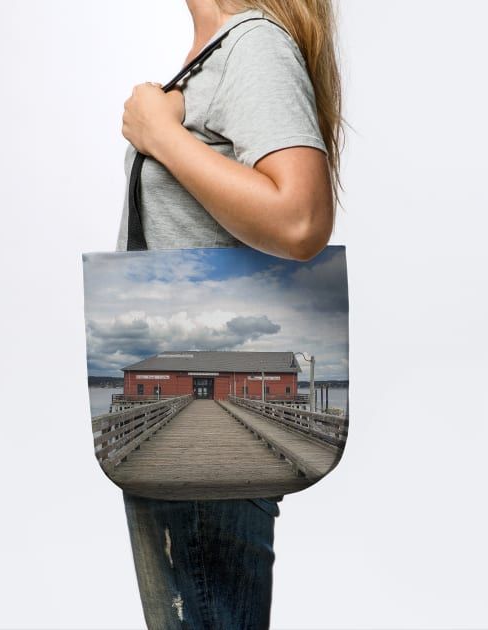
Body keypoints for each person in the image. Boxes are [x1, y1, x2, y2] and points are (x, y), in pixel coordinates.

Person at [117, 0, 344, 627]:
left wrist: (160, 136)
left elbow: (300, 220)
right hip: (183, 414)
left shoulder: (253, 45)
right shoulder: (219, 54)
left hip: (206, 429)